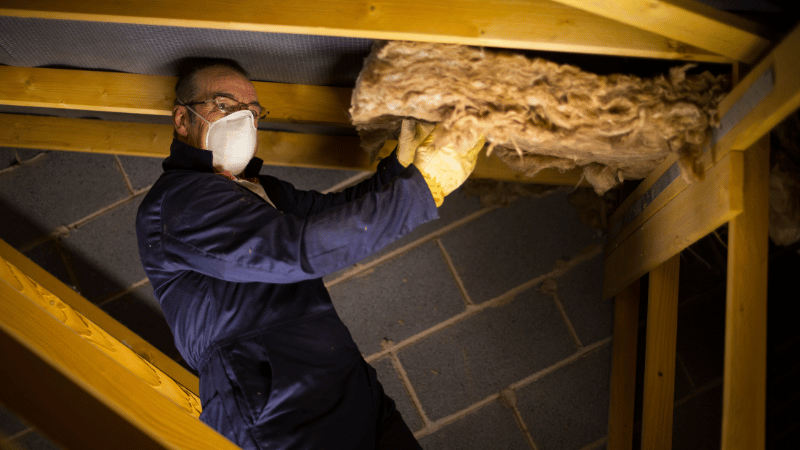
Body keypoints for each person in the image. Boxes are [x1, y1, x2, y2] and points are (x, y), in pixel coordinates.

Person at [136, 58, 483, 450]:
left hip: (338, 376)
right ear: (182, 120)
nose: (245, 123)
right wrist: (424, 187)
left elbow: (333, 216)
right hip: (273, 394)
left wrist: (401, 169)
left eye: (253, 113)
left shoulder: (258, 190)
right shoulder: (179, 201)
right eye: (225, 105)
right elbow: (295, 248)